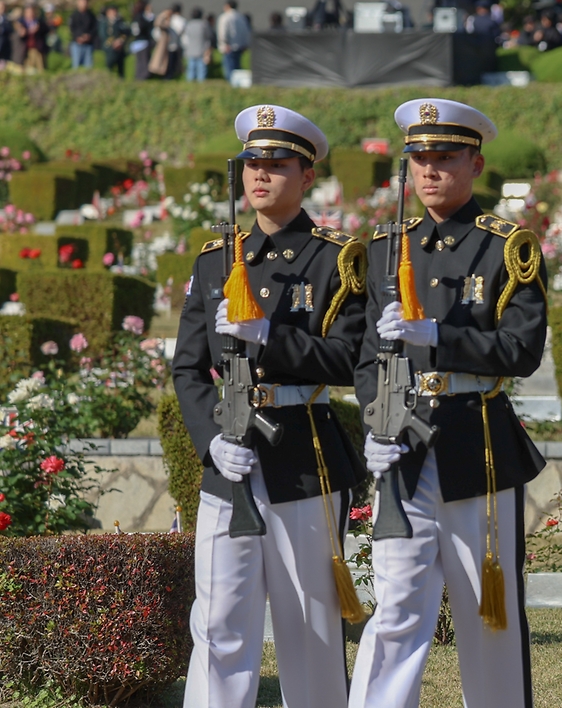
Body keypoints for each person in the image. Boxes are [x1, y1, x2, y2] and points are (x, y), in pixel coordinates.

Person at [350, 98, 548, 708]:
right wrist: (374, 422)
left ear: (475, 162)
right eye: (419, 158)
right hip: (402, 442)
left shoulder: (505, 247)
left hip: (476, 442)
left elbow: (521, 349)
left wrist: (441, 337)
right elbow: (364, 357)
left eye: (444, 157)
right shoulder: (386, 245)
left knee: (487, 609)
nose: (429, 170)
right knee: (397, 603)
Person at [172, 103, 367, 708]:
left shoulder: (336, 258)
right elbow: (187, 367)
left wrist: (272, 338)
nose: (261, 175)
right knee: (219, 621)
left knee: (308, 624)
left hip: (303, 458)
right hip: (227, 459)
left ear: (307, 175)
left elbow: (352, 361)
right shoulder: (214, 257)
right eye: (253, 163)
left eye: (278, 163)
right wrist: (211, 439)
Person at [217, 0, 251, 82]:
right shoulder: (241, 17)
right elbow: (246, 32)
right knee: (237, 68)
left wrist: (224, 43)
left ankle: (231, 84)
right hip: (240, 46)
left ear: (227, 6)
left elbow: (223, 32)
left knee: (229, 69)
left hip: (229, 47)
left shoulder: (225, 17)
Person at [182, 7, 213, 82]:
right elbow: (209, 36)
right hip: (202, 49)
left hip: (190, 49)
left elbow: (185, 37)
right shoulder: (204, 24)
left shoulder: (188, 24)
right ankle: (201, 83)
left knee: (191, 68)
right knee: (201, 69)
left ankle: (190, 82)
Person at [98, 4, 129, 79]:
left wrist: (120, 41)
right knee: (109, 68)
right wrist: (113, 43)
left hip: (120, 49)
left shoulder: (120, 22)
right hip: (109, 49)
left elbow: (125, 33)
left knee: (121, 69)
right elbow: (103, 35)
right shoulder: (104, 22)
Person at [129, 0, 154, 81]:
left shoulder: (135, 16)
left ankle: (139, 77)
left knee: (139, 62)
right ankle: (142, 78)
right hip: (143, 42)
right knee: (143, 62)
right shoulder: (141, 17)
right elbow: (145, 27)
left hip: (137, 42)